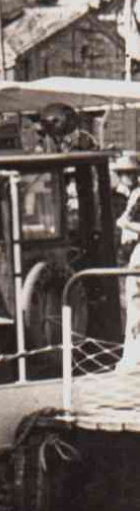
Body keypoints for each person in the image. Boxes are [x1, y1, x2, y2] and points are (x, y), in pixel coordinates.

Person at [116, 154, 140, 368]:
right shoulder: (122, 197)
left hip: (133, 250)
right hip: (127, 252)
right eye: (125, 173)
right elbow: (121, 221)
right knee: (130, 303)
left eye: (133, 173)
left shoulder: (136, 195)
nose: (129, 177)